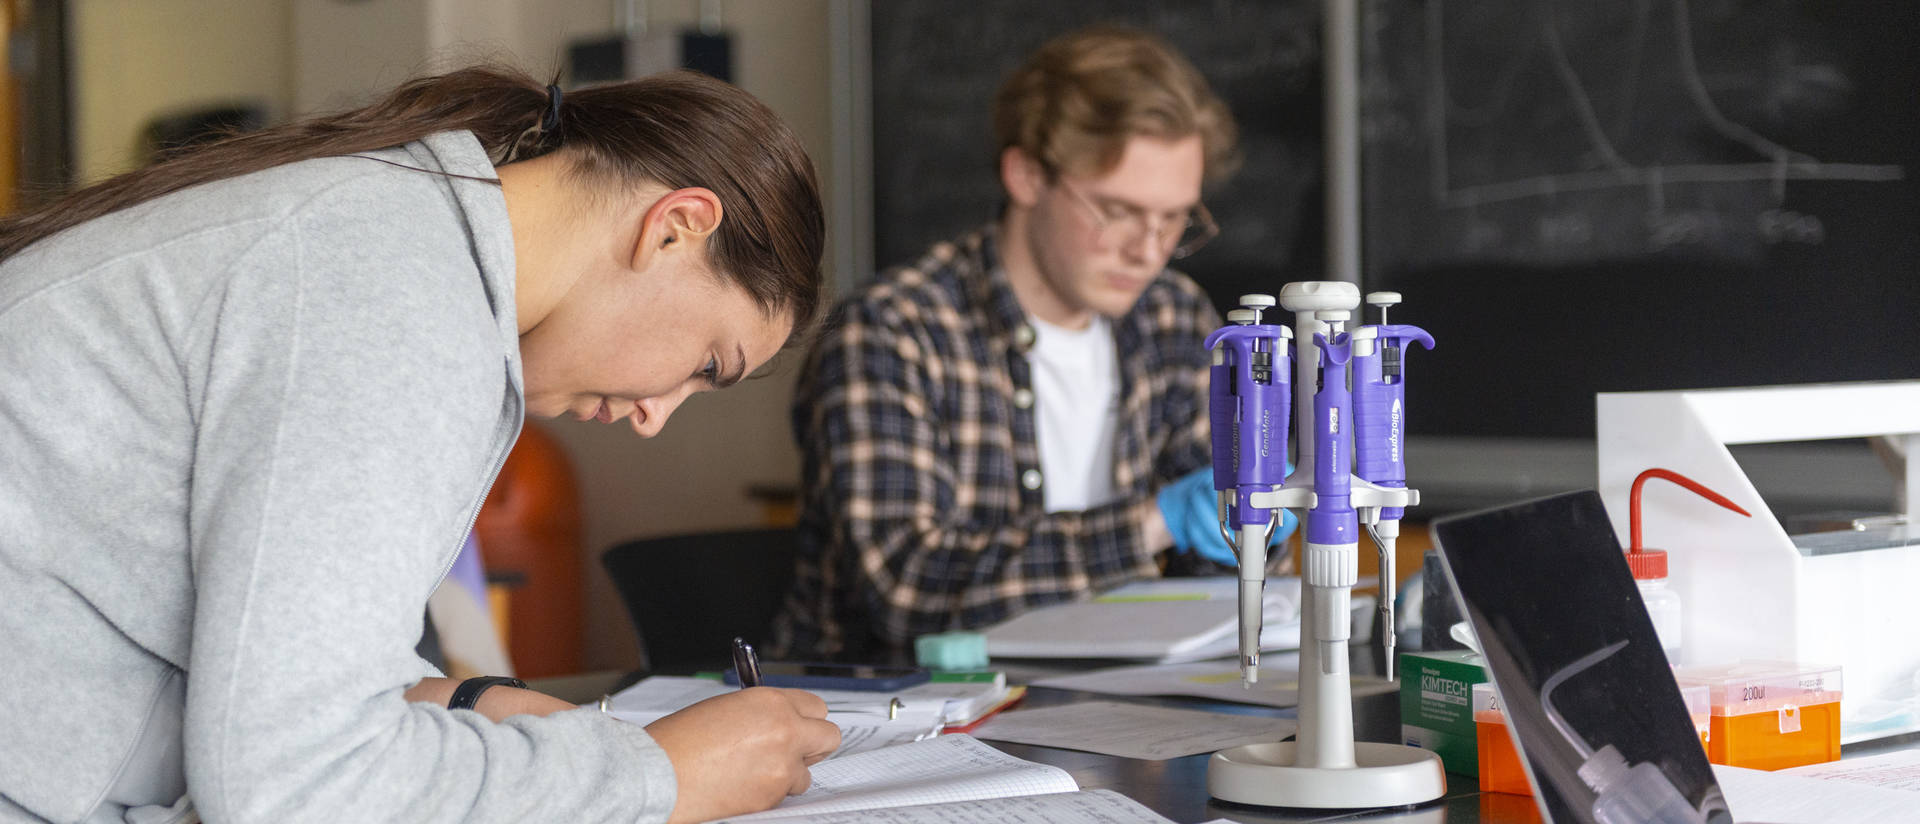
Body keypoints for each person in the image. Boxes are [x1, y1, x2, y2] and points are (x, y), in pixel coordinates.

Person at [0, 66, 841, 823]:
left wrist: (466, 700)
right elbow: (297, 788)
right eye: (705, 364)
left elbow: (263, 652)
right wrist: (658, 775)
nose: (659, 415)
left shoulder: (391, 231)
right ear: (675, 227)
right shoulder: (389, 299)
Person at [773, 27, 1297, 660]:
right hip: (905, 718)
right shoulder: (891, 331)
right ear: (1025, 176)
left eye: (1174, 219)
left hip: (1122, 696)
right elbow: (908, 591)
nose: (1148, 250)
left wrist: (1258, 528)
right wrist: (1155, 523)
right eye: (1119, 211)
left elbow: (1213, 564)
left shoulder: (1174, 316)